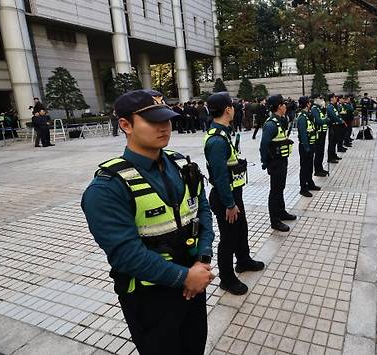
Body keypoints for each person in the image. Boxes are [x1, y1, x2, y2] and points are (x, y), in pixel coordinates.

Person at [81, 89, 215, 354]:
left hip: (194, 283)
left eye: (166, 119)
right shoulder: (107, 188)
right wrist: (184, 276)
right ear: (125, 125)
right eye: (153, 121)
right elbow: (125, 255)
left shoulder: (181, 164)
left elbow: (203, 211)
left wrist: (203, 258)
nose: (164, 127)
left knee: (194, 347)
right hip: (150, 297)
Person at [204, 92, 264, 295]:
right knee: (228, 238)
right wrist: (230, 205)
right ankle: (227, 279)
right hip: (224, 198)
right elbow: (220, 177)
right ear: (228, 109)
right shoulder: (216, 141)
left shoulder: (223, 133)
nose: (235, 109)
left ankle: (244, 260)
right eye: (232, 106)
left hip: (233, 194)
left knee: (241, 229)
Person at [260, 94, 296, 232]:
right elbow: (264, 145)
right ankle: (275, 221)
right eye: (284, 104)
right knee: (275, 191)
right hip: (275, 162)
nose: (286, 106)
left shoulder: (280, 120)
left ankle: (281, 212)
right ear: (279, 107)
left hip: (282, 160)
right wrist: (265, 162)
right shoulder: (270, 124)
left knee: (280, 189)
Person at [296, 96, 321, 196]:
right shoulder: (302, 117)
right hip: (305, 146)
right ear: (307, 104)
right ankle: (303, 188)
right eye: (309, 102)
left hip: (311, 144)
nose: (311, 104)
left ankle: (310, 183)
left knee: (309, 166)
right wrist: (306, 147)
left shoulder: (308, 115)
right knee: (304, 167)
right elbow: (303, 134)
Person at [311, 96, 329, 176]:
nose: (322, 100)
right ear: (316, 100)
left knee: (321, 152)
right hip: (318, 134)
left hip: (322, 133)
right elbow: (318, 121)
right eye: (320, 99)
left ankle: (320, 168)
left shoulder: (319, 109)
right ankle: (317, 170)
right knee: (318, 152)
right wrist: (326, 120)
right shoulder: (314, 109)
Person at [327, 94, 343, 163]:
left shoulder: (334, 106)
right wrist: (340, 121)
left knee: (335, 141)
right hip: (332, 126)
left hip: (336, 126)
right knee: (332, 143)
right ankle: (330, 158)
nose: (336, 98)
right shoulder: (330, 107)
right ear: (331, 99)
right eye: (334, 97)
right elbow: (334, 116)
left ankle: (334, 155)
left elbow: (338, 114)